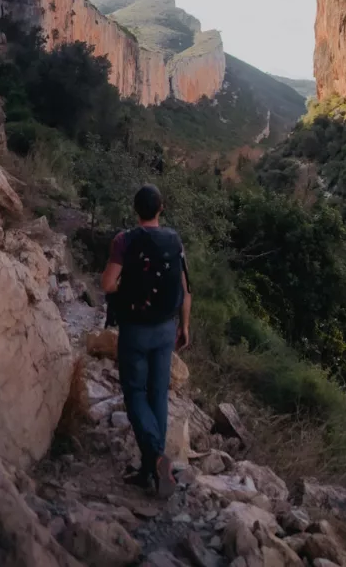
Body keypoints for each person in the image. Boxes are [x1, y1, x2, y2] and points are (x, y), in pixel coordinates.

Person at [101, 184, 191, 497]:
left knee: (135, 393)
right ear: (161, 207)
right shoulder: (175, 240)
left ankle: (153, 459)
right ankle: (150, 469)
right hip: (167, 329)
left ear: (135, 209)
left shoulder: (124, 240)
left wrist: (128, 285)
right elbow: (185, 288)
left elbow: (108, 283)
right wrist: (185, 325)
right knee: (158, 395)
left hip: (135, 329)